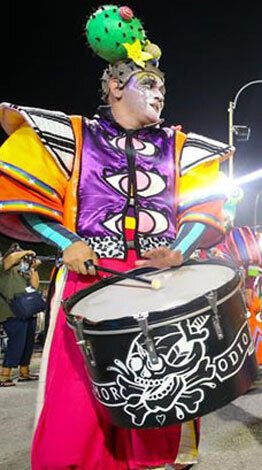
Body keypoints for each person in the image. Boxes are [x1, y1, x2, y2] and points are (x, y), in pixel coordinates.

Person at [0, 6, 229, 467]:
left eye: (162, 85)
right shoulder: (72, 136)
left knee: (158, 408)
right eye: (149, 83)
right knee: (76, 410)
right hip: (87, 286)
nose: (159, 92)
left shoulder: (180, 147)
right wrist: (66, 242)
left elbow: (204, 211)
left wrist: (178, 251)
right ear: (115, 86)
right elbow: (19, 197)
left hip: (158, 289)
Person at [0, 245, 41, 387]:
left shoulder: (21, 271)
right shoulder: (4, 268)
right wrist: (27, 252)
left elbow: (34, 286)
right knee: (16, 343)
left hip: (27, 311)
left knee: (28, 343)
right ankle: (4, 375)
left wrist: (33, 269)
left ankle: (24, 372)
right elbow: (10, 259)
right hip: (11, 313)